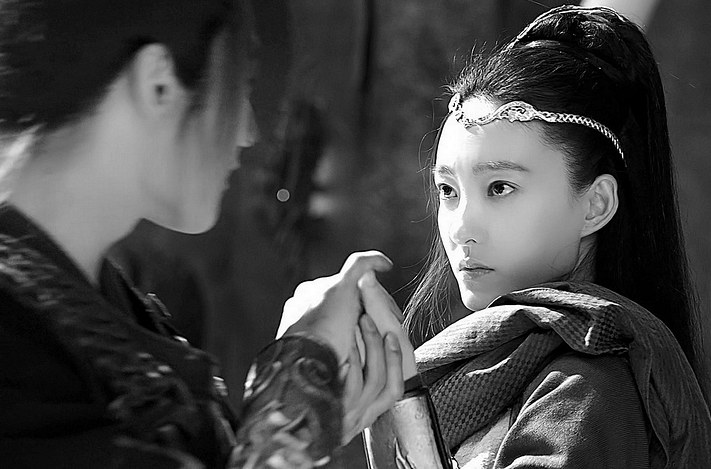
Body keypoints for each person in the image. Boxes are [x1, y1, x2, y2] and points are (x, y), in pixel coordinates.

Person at [0, 1, 411, 468]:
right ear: (157, 83)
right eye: (241, 85)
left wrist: (308, 411)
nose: (248, 132)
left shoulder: (108, 300)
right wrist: (296, 385)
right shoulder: (13, 336)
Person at [393, 5, 711, 468]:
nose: (461, 228)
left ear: (596, 205)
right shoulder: (511, 370)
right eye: (448, 191)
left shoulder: (587, 386)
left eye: (500, 188)